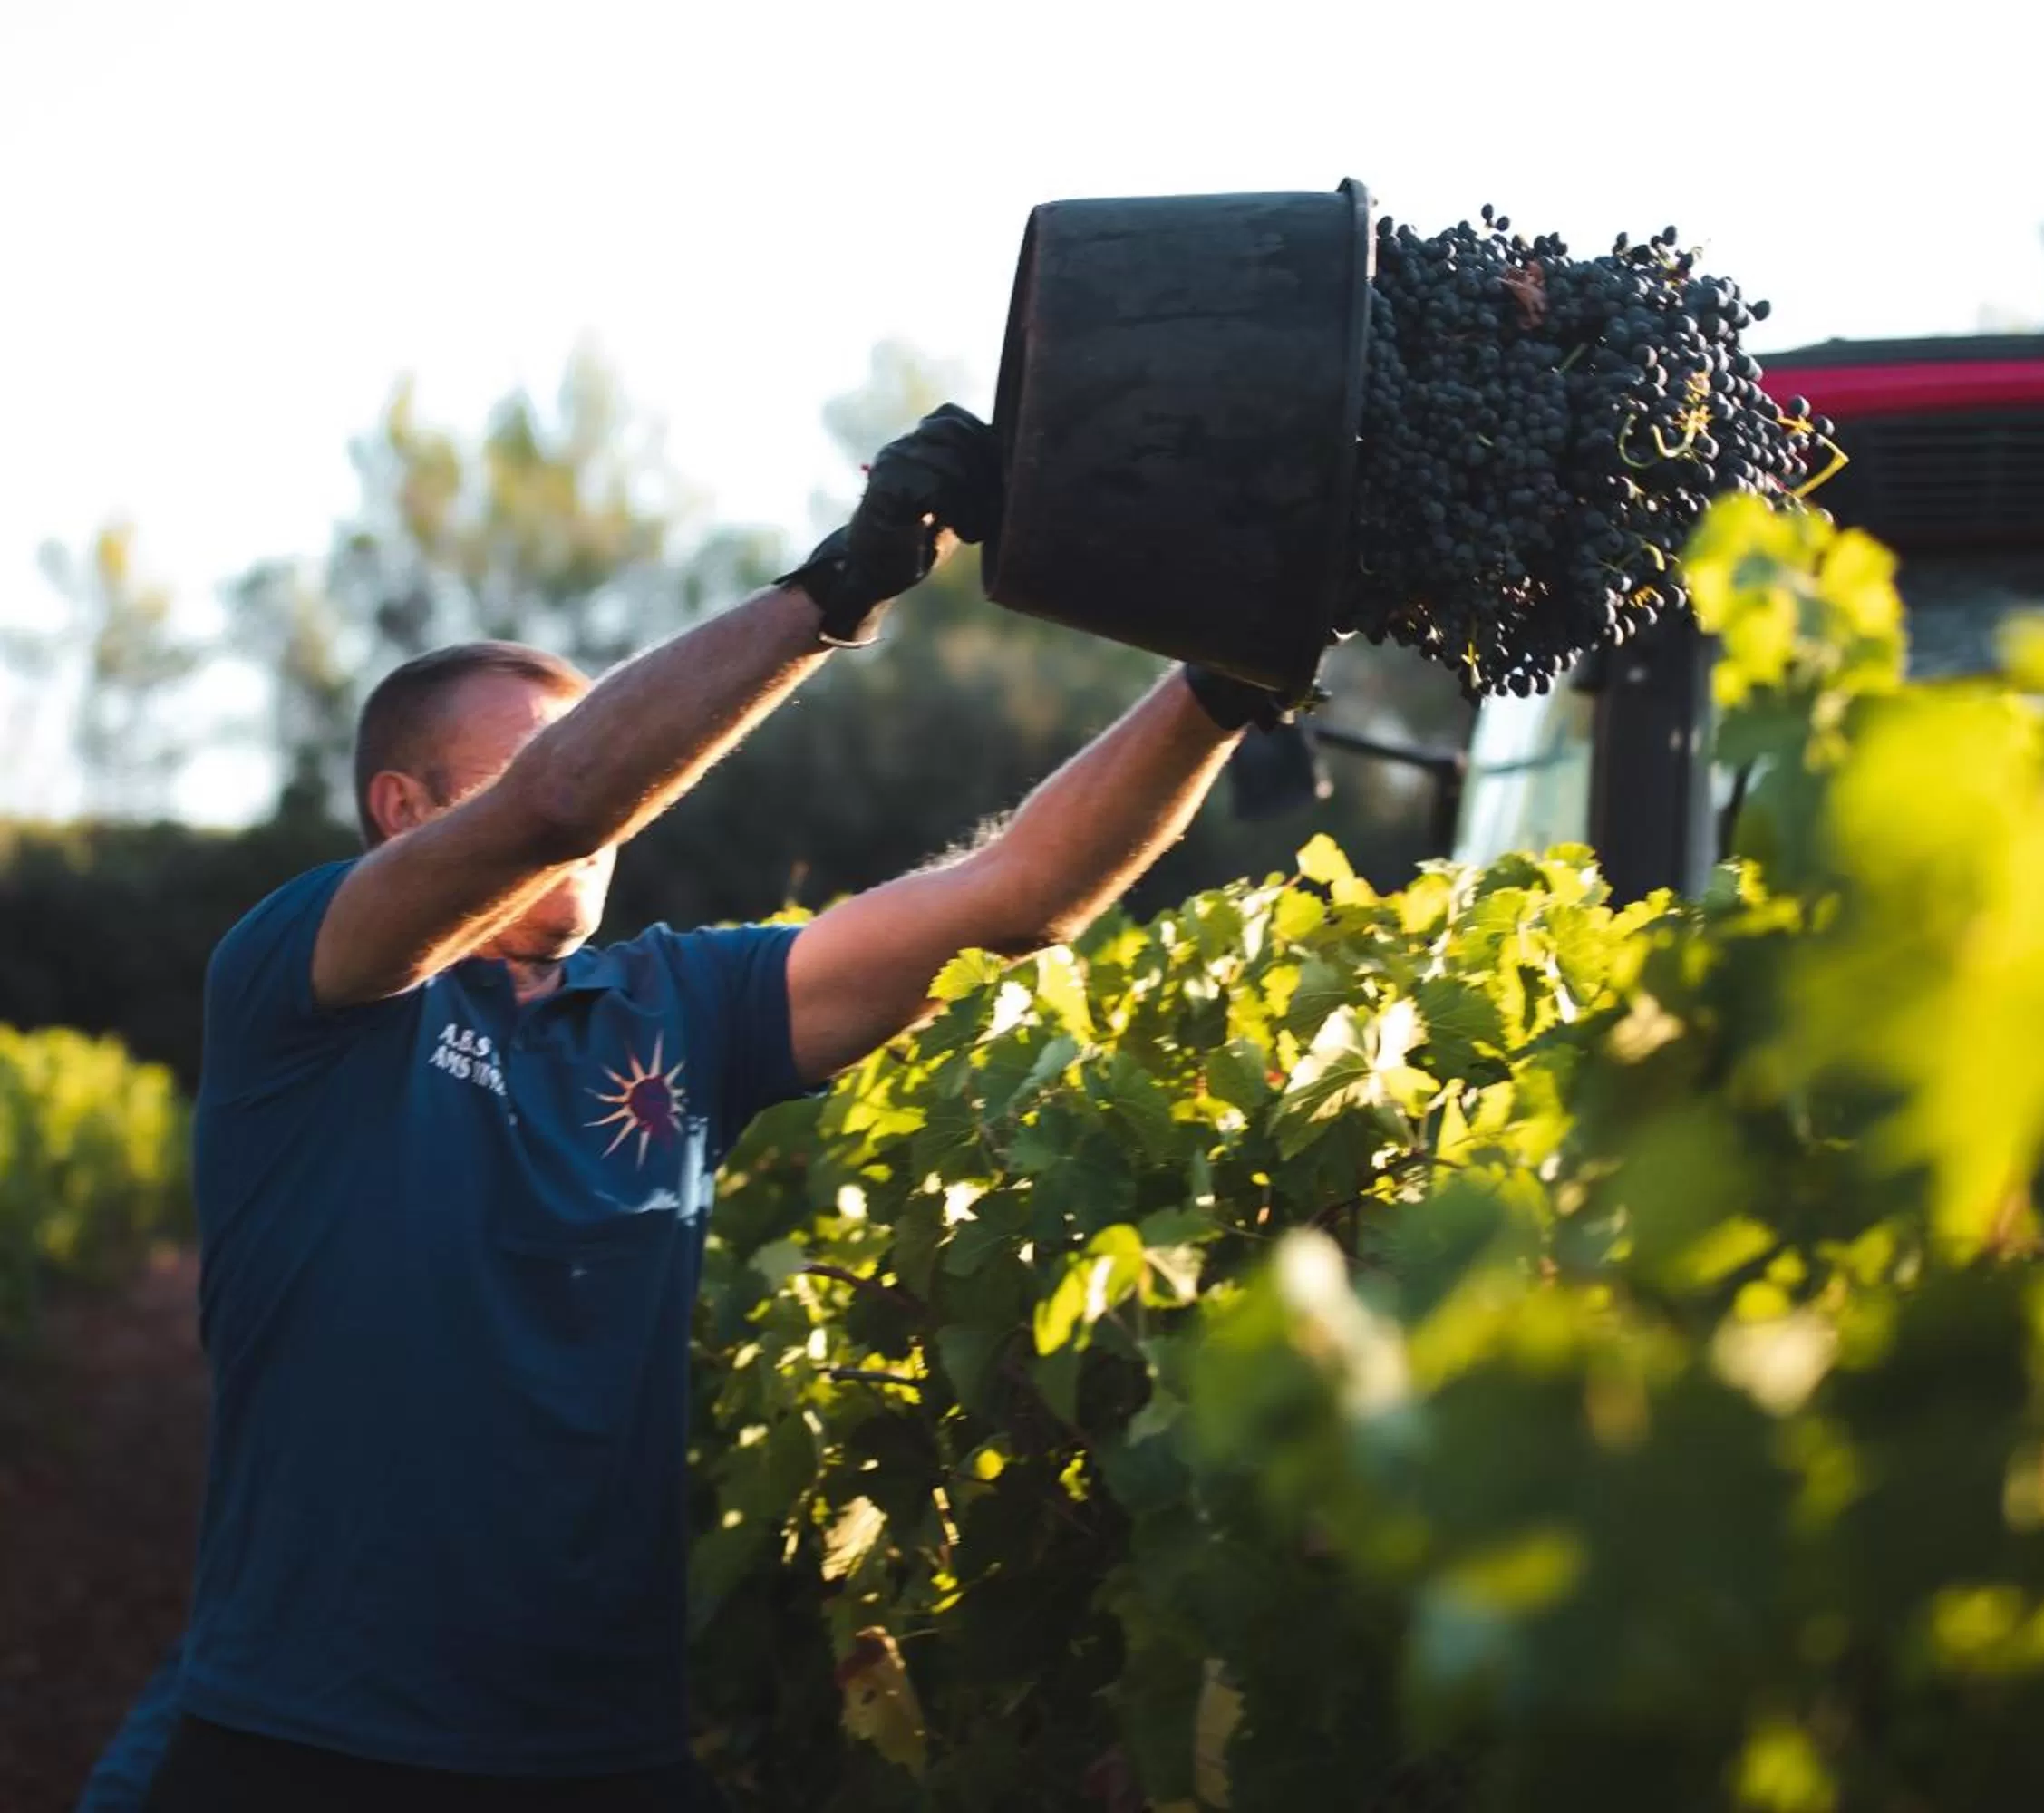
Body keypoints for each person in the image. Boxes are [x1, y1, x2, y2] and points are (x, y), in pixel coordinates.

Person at [80, 405, 1293, 1811]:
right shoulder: (314, 979)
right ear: (405, 809)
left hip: (600, 1750)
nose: (610, 796)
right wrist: (836, 589)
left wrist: (1226, 678)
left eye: (606, 748)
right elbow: (566, 802)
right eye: (539, 759)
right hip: (306, 1738)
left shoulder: (684, 1009)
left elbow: (1015, 898)